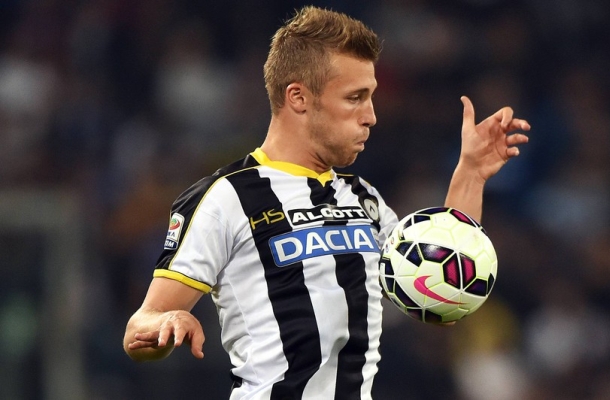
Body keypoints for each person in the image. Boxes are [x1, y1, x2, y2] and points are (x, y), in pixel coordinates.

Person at [123, 5, 531, 399]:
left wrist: (470, 173)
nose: (371, 116)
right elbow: (139, 328)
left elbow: (440, 295)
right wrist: (165, 324)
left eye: (371, 98)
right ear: (298, 97)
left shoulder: (365, 199)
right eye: (355, 98)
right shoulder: (226, 197)